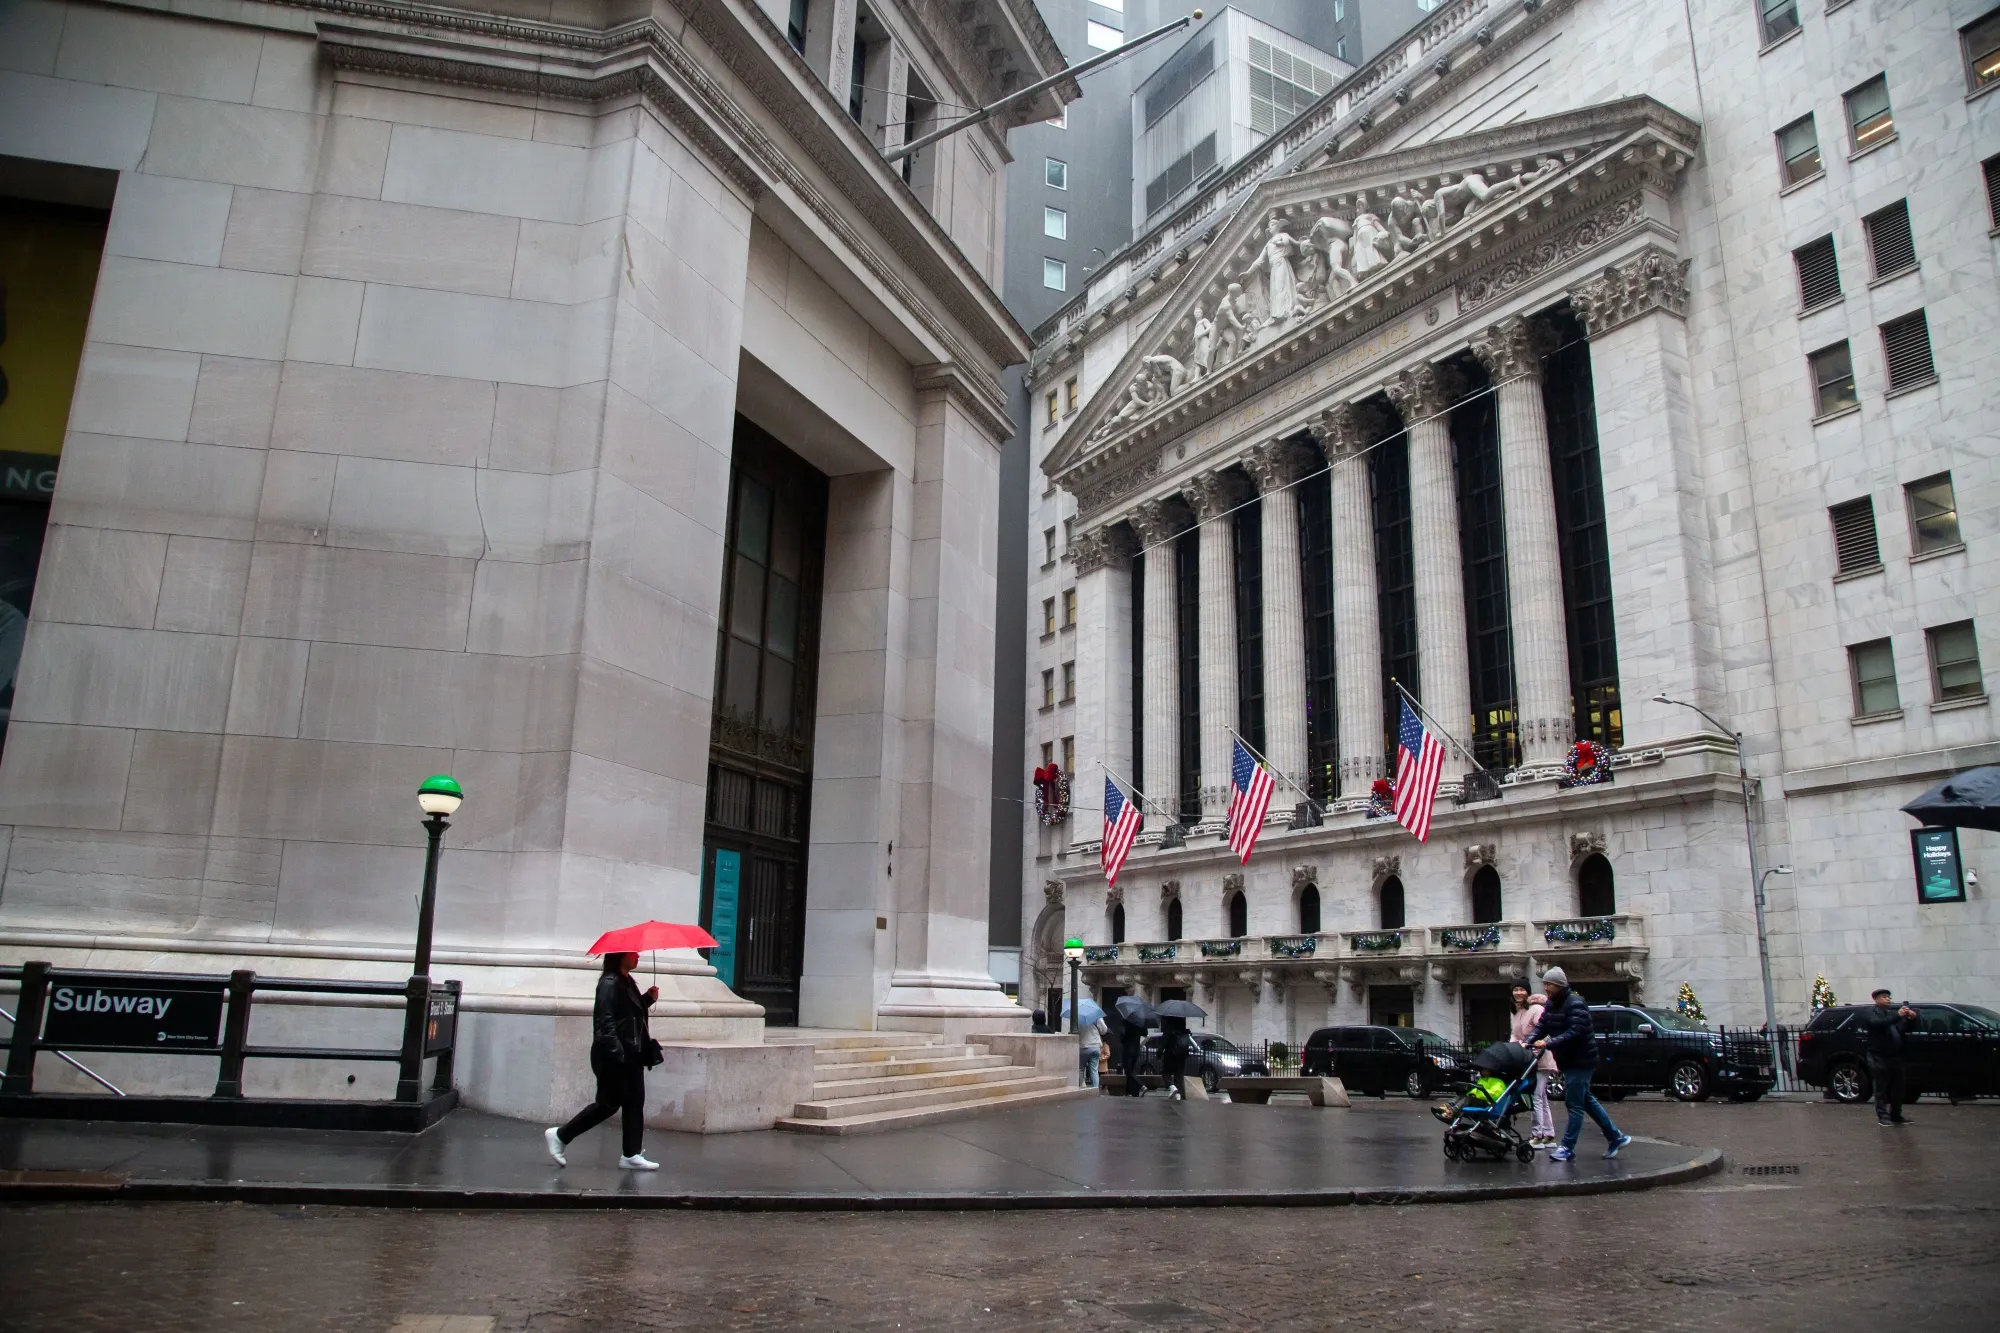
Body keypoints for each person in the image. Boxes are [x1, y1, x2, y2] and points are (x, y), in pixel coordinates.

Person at [544, 951, 660, 1171]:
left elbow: (627, 1014)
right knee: (607, 1104)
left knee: (634, 1104)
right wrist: (618, 1053)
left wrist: (647, 999)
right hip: (614, 1055)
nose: (638, 955)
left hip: (632, 1054)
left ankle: (631, 1154)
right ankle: (560, 1135)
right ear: (620, 955)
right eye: (633, 952)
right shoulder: (609, 983)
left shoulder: (626, 981)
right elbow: (604, 1021)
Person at [1530, 966, 1632, 1161]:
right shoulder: (1552, 1004)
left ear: (1559, 985)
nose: (1546, 988)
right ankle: (1615, 1137)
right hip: (1568, 1060)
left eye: (1549, 984)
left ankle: (1567, 1147)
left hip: (1582, 1060)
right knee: (1585, 1100)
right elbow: (1542, 1025)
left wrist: (1548, 1043)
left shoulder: (1575, 1003)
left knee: (1574, 1104)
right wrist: (1529, 1039)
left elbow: (1574, 1032)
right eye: (1545, 984)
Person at [1510, 984, 1558, 1148]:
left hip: (1540, 1059)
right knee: (1541, 1097)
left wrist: (1538, 1045)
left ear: (1528, 992)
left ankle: (1537, 1135)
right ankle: (1548, 1134)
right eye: (1515, 990)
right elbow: (1515, 1035)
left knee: (1536, 1096)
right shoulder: (1517, 1012)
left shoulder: (1536, 1009)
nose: (1518, 993)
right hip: (1527, 1059)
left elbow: (1545, 1031)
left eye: (1522, 989)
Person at [1862, 987, 1918, 1126]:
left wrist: (1911, 1019)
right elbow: (1878, 1024)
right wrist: (1898, 1016)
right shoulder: (1871, 1013)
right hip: (1878, 1056)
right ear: (1876, 1000)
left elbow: (1904, 1029)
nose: (1888, 999)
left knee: (1899, 1087)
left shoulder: (1891, 1014)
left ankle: (1896, 1115)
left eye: (1889, 997)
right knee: (1881, 1088)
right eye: (1884, 997)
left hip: (1895, 1056)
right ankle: (1883, 1116)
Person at [1159, 1016, 1195, 1101]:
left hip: (1170, 1055)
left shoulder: (1168, 1031)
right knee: (1179, 1076)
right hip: (1182, 1056)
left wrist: (1159, 1054)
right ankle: (1179, 1095)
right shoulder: (1185, 1032)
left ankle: (1172, 1087)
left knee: (1165, 1073)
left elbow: (1163, 1044)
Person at [1119, 1014, 1148, 1097]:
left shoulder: (1126, 1020)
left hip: (1128, 1049)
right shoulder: (1140, 1022)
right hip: (1136, 1050)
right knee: (1132, 1070)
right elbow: (1145, 1033)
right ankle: (1131, 1092)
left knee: (1128, 1071)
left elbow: (1122, 1037)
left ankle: (1141, 1086)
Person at [1078, 1012, 1108, 1088]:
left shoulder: (1078, 1017)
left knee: (1080, 1069)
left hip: (1082, 1046)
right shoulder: (1096, 1016)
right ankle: (1095, 1090)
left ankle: (1079, 1089)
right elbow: (1104, 1030)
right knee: (1094, 1071)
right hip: (1095, 1046)